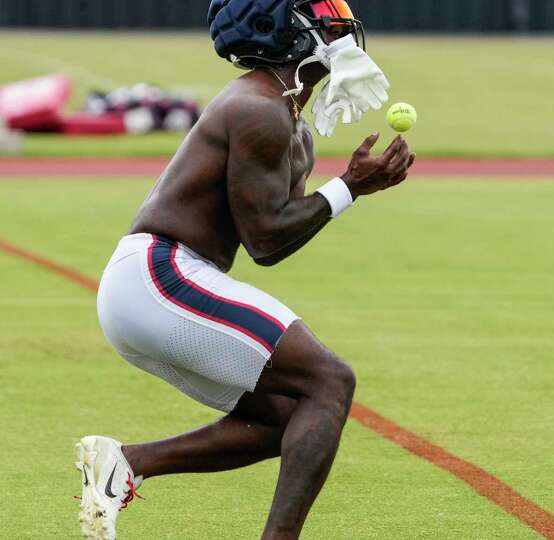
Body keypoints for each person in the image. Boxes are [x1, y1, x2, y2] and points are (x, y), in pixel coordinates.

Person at [76, 1, 414, 539]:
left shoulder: (290, 125)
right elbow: (263, 239)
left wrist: (349, 187)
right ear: (276, 26)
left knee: (286, 413)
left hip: (153, 283)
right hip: (161, 275)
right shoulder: (258, 109)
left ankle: (125, 463)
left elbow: (275, 242)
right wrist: (349, 186)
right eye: (322, 10)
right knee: (330, 382)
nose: (339, 19)